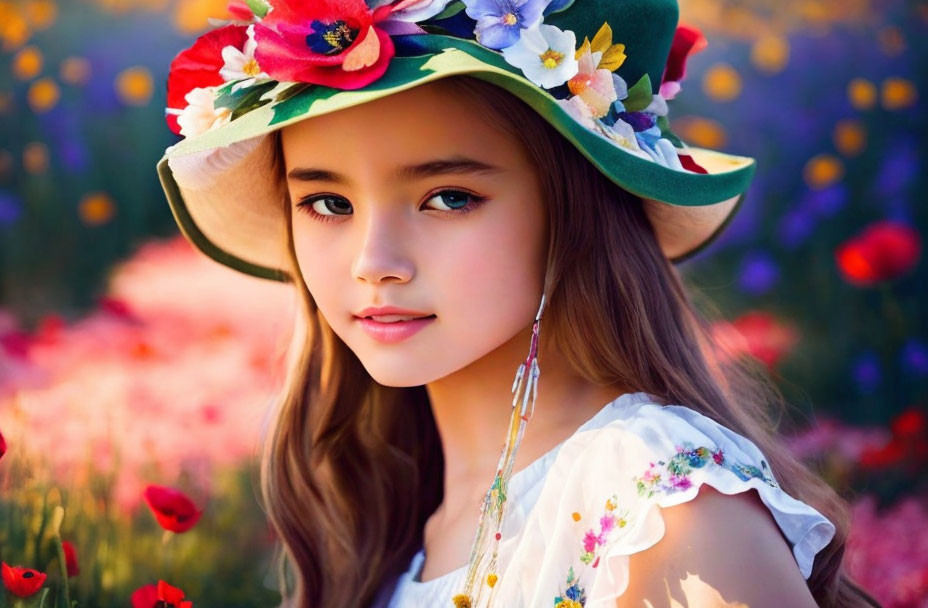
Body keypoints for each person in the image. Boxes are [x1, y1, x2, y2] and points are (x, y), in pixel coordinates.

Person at [156, 0, 883, 606]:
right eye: (326, 202)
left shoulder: (657, 504)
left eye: (448, 198)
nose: (373, 263)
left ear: (573, 212)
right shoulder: (393, 518)